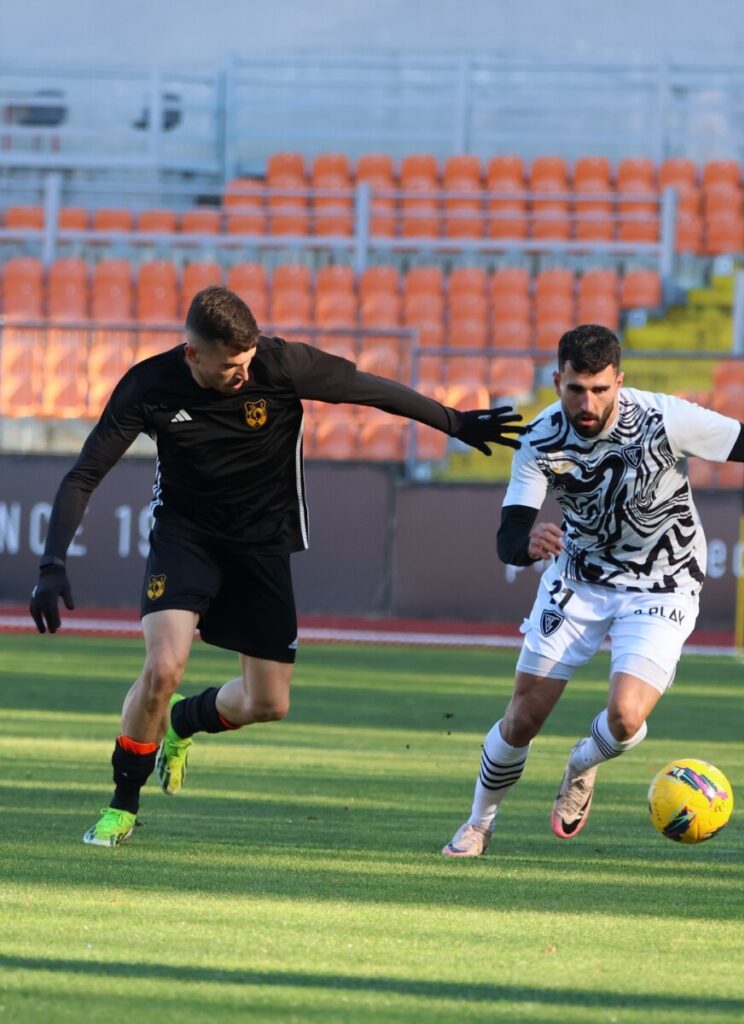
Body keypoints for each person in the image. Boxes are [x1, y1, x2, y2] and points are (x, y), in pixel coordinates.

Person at [29, 285, 525, 847]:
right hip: (185, 536)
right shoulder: (149, 385)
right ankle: (122, 804)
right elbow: (83, 474)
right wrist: (51, 563)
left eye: (246, 361)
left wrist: (455, 423)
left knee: (269, 702)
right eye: (228, 366)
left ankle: (185, 722)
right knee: (163, 669)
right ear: (193, 354)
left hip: (262, 543)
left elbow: (370, 389)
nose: (241, 374)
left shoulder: (282, 363)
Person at [441, 324, 744, 857]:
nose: (588, 402)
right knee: (522, 718)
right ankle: (479, 823)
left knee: (627, 716)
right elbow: (508, 536)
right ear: (557, 379)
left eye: (600, 389)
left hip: (665, 579)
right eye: (576, 389)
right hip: (578, 579)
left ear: (619, 381)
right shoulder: (539, 438)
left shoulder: (663, 418)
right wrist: (528, 543)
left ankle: (583, 764)